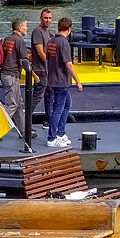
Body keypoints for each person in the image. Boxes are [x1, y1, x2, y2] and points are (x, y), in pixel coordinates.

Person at [45, 17, 82, 148]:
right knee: (58, 108)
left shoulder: (51, 42)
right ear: (69, 29)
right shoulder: (64, 43)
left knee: (67, 104)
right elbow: (69, 64)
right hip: (62, 81)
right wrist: (78, 81)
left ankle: (60, 133)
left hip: (53, 79)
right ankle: (52, 137)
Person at [0, 18, 34, 138]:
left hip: (5, 73)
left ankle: (23, 131)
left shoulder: (7, 39)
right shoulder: (19, 41)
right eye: (26, 26)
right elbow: (24, 61)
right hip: (12, 75)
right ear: (20, 27)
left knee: (19, 103)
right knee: (12, 105)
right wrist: (34, 75)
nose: (27, 28)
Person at [30, 8, 54, 126]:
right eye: (45, 18)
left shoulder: (47, 32)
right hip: (40, 69)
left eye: (49, 18)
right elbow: (40, 51)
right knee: (37, 97)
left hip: (47, 70)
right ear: (41, 19)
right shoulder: (37, 32)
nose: (47, 20)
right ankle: (25, 120)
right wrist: (50, 63)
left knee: (49, 95)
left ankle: (48, 119)